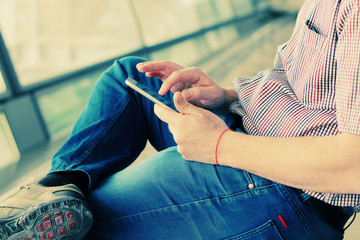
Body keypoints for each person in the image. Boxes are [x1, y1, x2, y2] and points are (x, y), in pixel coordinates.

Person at [1, 0, 360, 239]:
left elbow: (354, 167)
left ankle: (43, 205)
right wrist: (227, 96)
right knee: (128, 77)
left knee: (87, 217)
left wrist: (220, 145)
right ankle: (55, 186)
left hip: (289, 188)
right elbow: (308, 88)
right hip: (253, 133)